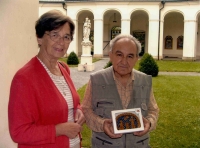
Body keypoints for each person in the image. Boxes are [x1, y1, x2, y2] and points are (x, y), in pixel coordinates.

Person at [8, 10, 85, 148]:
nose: (61, 42)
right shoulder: (24, 78)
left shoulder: (63, 68)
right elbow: (18, 132)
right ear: (39, 37)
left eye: (66, 37)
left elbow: (69, 102)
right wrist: (58, 130)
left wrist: (78, 110)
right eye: (55, 35)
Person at [82, 34, 159, 148]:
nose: (124, 61)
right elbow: (86, 109)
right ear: (111, 55)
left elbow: (153, 110)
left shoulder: (144, 81)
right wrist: (102, 124)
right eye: (119, 55)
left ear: (136, 58)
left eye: (130, 56)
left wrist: (149, 122)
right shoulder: (96, 80)